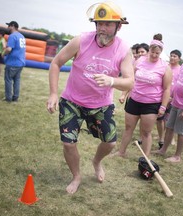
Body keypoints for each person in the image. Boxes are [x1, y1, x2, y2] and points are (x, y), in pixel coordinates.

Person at [46, 1, 134, 194]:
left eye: (107, 24)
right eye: (99, 23)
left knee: (110, 142)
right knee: (68, 143)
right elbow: (56, 63)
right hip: (72, 102)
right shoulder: (80, 41)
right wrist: (53, 93)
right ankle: (76, 176)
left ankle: (96, 162)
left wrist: (111, 81)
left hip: (101, 105)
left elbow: (130, 82)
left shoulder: (123, 50)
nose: (101, 28)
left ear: (118, 26)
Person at [113, 33, 172, 157]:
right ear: (149, 50)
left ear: (161, 52)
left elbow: (167, 89)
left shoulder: (165, 67)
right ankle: (121, 152)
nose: (155, 55)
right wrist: (124, 94)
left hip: (151, 104)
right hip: (134, 100)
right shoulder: (139, 61)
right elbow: (131, 79)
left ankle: (145, 158)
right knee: (128, 128)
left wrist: (163, 106)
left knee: (146, 132)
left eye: (157, 53)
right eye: (152, 52)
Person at [156, 49, 181, 149]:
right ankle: (161, 138)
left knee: (169, 120)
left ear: (179, 59)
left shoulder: (180, 69)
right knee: (159, 119)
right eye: (171, 55)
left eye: (175, 56)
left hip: (173, 99)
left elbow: (179, 85)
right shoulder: (165, 67)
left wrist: (173, 97)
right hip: (162, 97)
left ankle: (172, 138)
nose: (172, 58)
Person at [1, 21, 26, 102]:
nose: (7, 28)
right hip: (21, 62)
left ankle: (8, 98)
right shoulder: (21, 36)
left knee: (8, 80)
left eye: (9, 26)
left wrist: (3, 54)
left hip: (12, 62)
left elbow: (9, 49)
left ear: (13, 26)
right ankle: (15, 97)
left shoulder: (12, 36)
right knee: (17, 80)